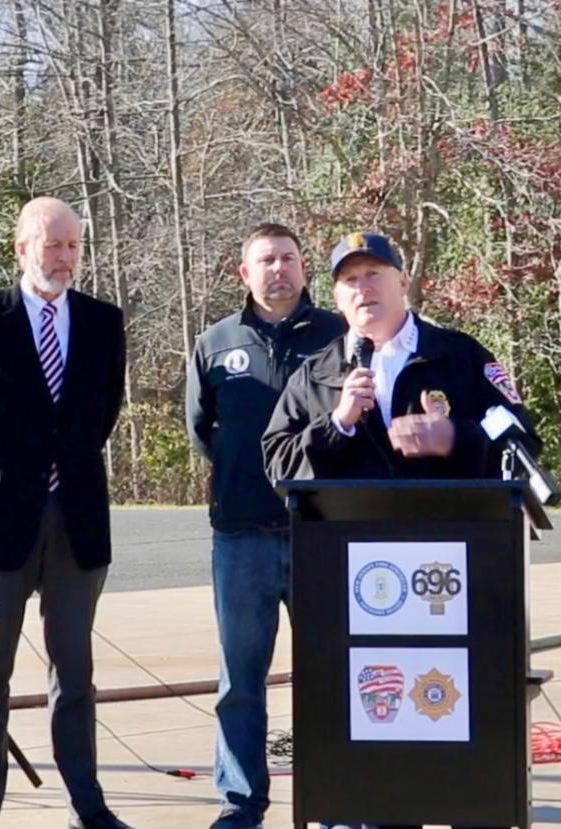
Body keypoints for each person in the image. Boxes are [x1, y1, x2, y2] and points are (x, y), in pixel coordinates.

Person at [262, 231, 541, 829]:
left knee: (456, 721)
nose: (364, 290)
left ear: (402, 282)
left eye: (374, 276)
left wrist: (454, 438)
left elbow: (519, 436)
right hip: (359, 592)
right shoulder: (319, 375)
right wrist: (336, 424)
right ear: (336, 298)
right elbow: (278, 464)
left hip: (455, 581)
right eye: (350, 282)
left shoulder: (459, 357)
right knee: (375, 732)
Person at [0, 197, 132, 829]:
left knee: (74, 672)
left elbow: (102, 415)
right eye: (52, 245)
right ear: (22, 248)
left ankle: (87, 805)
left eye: (74, 246)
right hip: (0, 519)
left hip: (75, 518)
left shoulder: (104, 322)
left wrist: (57, 474)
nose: (64, 258)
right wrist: (11, 476)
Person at [185, 223, 344, 829]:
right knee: (240, 682)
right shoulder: (215, 342)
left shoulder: (340, 335)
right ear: (243, 273)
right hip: (241, 535)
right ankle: (240, 801)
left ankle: (337, 799)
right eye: (266, 260)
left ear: (304, 270)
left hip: (321, 534)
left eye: (288, 259)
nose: (278, 269)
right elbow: (204, 431)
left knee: (330, 674)